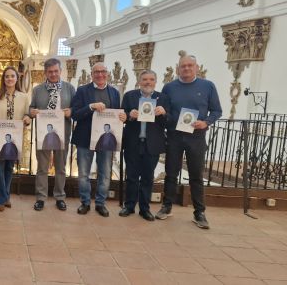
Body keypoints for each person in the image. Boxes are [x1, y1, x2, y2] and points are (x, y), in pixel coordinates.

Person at [156, 55, 222, 229]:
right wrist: (165, 115)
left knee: (196, 175)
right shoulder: (169, 88)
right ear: (178, 69)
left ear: (196, 67)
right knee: (170, 173)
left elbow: (217, 110)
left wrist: (206, 122)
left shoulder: (208, 86)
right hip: (174, 136)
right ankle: (167, 206)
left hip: (196, 137)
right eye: (183, 66)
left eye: (189, 65)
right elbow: (165, 111)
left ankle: (199, 212)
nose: (186, 68)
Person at [71, 62, 126, 217]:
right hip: (85, 139)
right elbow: (75, 114)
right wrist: (90, 106)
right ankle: (85, 202)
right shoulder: (82, 91)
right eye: (97, 72)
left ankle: (101, 203)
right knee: (83, 173)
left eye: (103, 71)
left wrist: (123, 117)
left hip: (107, 141)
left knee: (105, 173)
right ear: (92, 74)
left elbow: (117, 114)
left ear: (107, 73)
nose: (100, 74)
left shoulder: (114, 93)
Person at [119, 70, 169, 221]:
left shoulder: (163, 98)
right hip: (133, 143)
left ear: (155, 81)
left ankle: (144, 209)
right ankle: (129, 206)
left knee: (148, 177)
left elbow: (169, 122)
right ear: (139, 81)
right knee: (132, 177)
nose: (148, 82)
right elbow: (121, 117)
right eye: (145, 79)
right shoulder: (129, 96)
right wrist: (129, 116)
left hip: (152, 144)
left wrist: (164, 113)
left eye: (151, 79)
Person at [28, 58, 75, 211]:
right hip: (43, 134)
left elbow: (76, 108)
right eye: (50, 72)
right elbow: (31, 108)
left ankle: (60, 197)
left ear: (60, 71)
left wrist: (71, 111)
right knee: (42, 167)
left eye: (56, 71)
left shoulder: (69, 88)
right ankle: (41, 197)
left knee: (61, 167)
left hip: (63, 133)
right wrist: (32, 112)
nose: (53, 74)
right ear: (45, 73)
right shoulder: (37, 90)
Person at [0, 66, 31, 211]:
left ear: (17, 79)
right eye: (7, 76)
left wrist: (27, 118)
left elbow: (28, 115)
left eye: (12, 76)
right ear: (3, 79)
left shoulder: (24, 97)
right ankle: (0, 199)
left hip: (15, 139)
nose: (9, 79)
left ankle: (5, 196)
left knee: (9, 168)